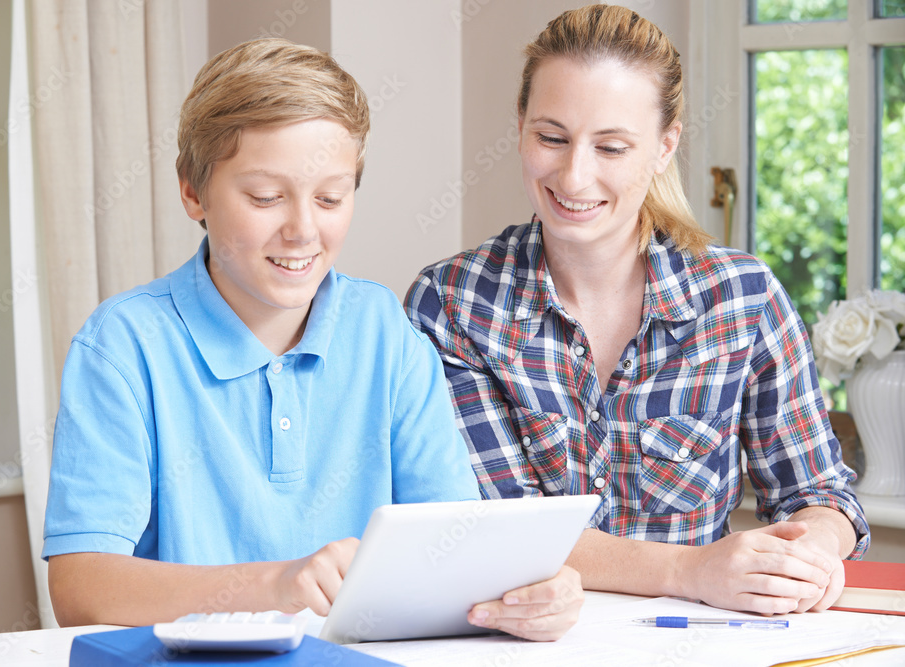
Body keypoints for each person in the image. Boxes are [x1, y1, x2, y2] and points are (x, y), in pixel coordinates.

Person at [43, 38, 581, 642]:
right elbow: (81, 588)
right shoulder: (123, 347)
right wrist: (274, 586)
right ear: (194, 192)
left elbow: (451, 544)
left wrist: (535, 591)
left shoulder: (384, 332)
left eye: (330, 197)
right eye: (266, 197)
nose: (302, 230)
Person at [405, 4, 870, 627]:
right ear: (519, 127)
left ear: (664, 146)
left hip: (707, 643)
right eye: (551, 137)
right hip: (524, 648)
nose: (575, 174)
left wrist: (811, 547)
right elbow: (496, 532)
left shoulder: (744, 298)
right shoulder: (454, 304)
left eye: (612, 147)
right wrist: (691, 571)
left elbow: (819, 495)